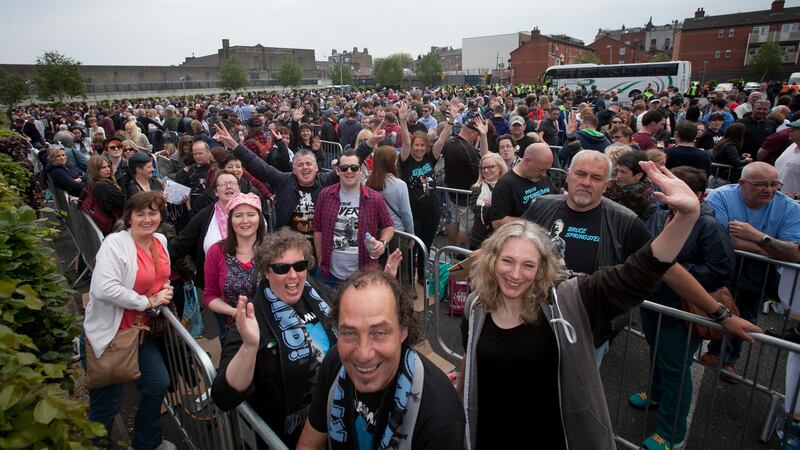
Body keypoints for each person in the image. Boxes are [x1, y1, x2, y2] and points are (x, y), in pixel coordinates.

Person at [459, 161, 758, 450]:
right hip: (491, 431)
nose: (514, 274)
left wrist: (685, 218)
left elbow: (643, 269)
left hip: (550, 426)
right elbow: (471, 357)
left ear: (543, 268)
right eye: (507, 262)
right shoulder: (476, 307)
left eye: (528, 265)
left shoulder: (570, 300)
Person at [297, 270, 465, 450]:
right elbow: (309, 444)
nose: (363, 354)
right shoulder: (334, 362)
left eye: (379, 333)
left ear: (403, 331)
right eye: (349, 333)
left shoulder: (439, 413)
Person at [633, 166, 735, 450]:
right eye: (666, 191)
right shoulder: (658, 213)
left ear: (699, 196)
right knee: (657, 352)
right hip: (653, 302)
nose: (667, 198)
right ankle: (654, 393)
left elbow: (720, 269)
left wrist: (668, 269)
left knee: (675, 368)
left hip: (681, 309)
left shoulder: (709, 226)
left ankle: (671, 432)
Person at [212, 228, 336, 447]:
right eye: (281, 268)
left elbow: (349, 308)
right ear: (266, 272)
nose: (293, 275)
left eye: (300, 266)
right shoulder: (253, 316)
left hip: (335, 415)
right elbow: (223, 396)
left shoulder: (315, 291)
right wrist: (250, 347)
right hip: (288, 434)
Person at [83, 192, 175, 450]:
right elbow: (103, 289)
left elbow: (159, 276)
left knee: (158, 384)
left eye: (153, 213)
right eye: (140, 214)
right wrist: (147, 302)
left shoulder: (160, 240)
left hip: (139, 332)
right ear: (129, 216)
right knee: (107, 405)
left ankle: (146, 442)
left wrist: (164, 290)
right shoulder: (115, 244)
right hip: (111, 335)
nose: (147, 219)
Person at [700, 162, 800, 377]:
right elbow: (723, 239)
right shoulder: (721, 196)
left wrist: (757, 236)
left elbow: (795, 253)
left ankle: (727, 358)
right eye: (761, 184)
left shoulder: (790, 207)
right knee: (714, 307)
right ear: (742, 184)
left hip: (759, 272)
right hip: (723, 264)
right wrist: (772, 247)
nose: (770, 190)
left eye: (775, 184)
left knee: (746, 312)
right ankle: (711, 348)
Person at [213, 123, 373, 241]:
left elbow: (349, 162)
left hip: (320, 245)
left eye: (309, 164)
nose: (305, 168)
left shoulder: (326, 180)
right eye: (300, 165)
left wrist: (370, 144)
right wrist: (234, 145)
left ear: (317, 167)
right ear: (293, 169)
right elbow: (257, 164)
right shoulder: (283, 180)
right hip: (288, 244)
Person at [312, 150, 394, 288]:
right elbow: (318, 229)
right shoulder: (325, 195)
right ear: (337, 171)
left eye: (354, 168)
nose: (349, 171)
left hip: (364, 275)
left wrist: (383, 243)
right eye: (344, 168)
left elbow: (388, 226)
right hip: (329, 276)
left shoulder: (375, 198)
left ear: (361, 170)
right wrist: (321, 262)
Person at [203, 193, 265, 345]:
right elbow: (210, 296)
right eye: (238, 215)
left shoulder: (272, 249)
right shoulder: (216, 251)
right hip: (234, 330)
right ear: (230, 220)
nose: (245, 221)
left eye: (251, 214)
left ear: (259, 218)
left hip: (271, 327)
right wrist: (234, 312)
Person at [168, 170, 241, 289]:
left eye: (232, 183)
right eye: (223, 184)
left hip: (247, 285)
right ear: (216, 192)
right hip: (212, 286)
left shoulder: (251, 214)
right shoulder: (205, 215)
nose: (228, 186)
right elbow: (182, 243)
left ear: (239, 189)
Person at [442, 116, 490, 246]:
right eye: (477, 134)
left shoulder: (449, 142)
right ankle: (461, 255)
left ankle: (452, 251)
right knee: (466, 227)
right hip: (466, 194)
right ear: (474, 133)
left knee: (454, 221)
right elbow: (482, 169)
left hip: (453, 192)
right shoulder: (467, 149)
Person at [491, 143, 557, 230]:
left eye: (546, 169)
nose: (544, 174)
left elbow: (556, 194)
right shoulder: (506, 184)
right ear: (527, 161)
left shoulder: (542, 175)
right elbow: (497, 223)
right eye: (541, 169)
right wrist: (533, 220)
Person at [366, 146, 414, 235]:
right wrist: (411, 234)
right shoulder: (400, 185)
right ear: (391, 162)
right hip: (397, 232)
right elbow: (406, 215)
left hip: (375, 231)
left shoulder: (367, 183)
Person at [605, 151, 659, 222]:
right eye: (617, 170)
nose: (618, 176)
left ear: (639, 175)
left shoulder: (648, 203)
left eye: (623, 172)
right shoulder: (609, 188)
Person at [469, 153, 507, 250]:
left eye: (491, 167)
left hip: (504, 237)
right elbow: (478, 210)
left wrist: (491, 205)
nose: (486, 170)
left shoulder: (509, 186)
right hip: (481, 238)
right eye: (483, 168)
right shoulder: (476, 188)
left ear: (500, 168)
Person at [81, 155, 125, 234]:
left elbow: (80, 200)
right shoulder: (104, 186)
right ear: (95, 170)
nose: (108, 169)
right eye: (103, 168)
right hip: (113, 226)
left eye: (108, 166)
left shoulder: (91, 181)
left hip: (104, 225)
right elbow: (122, 202)